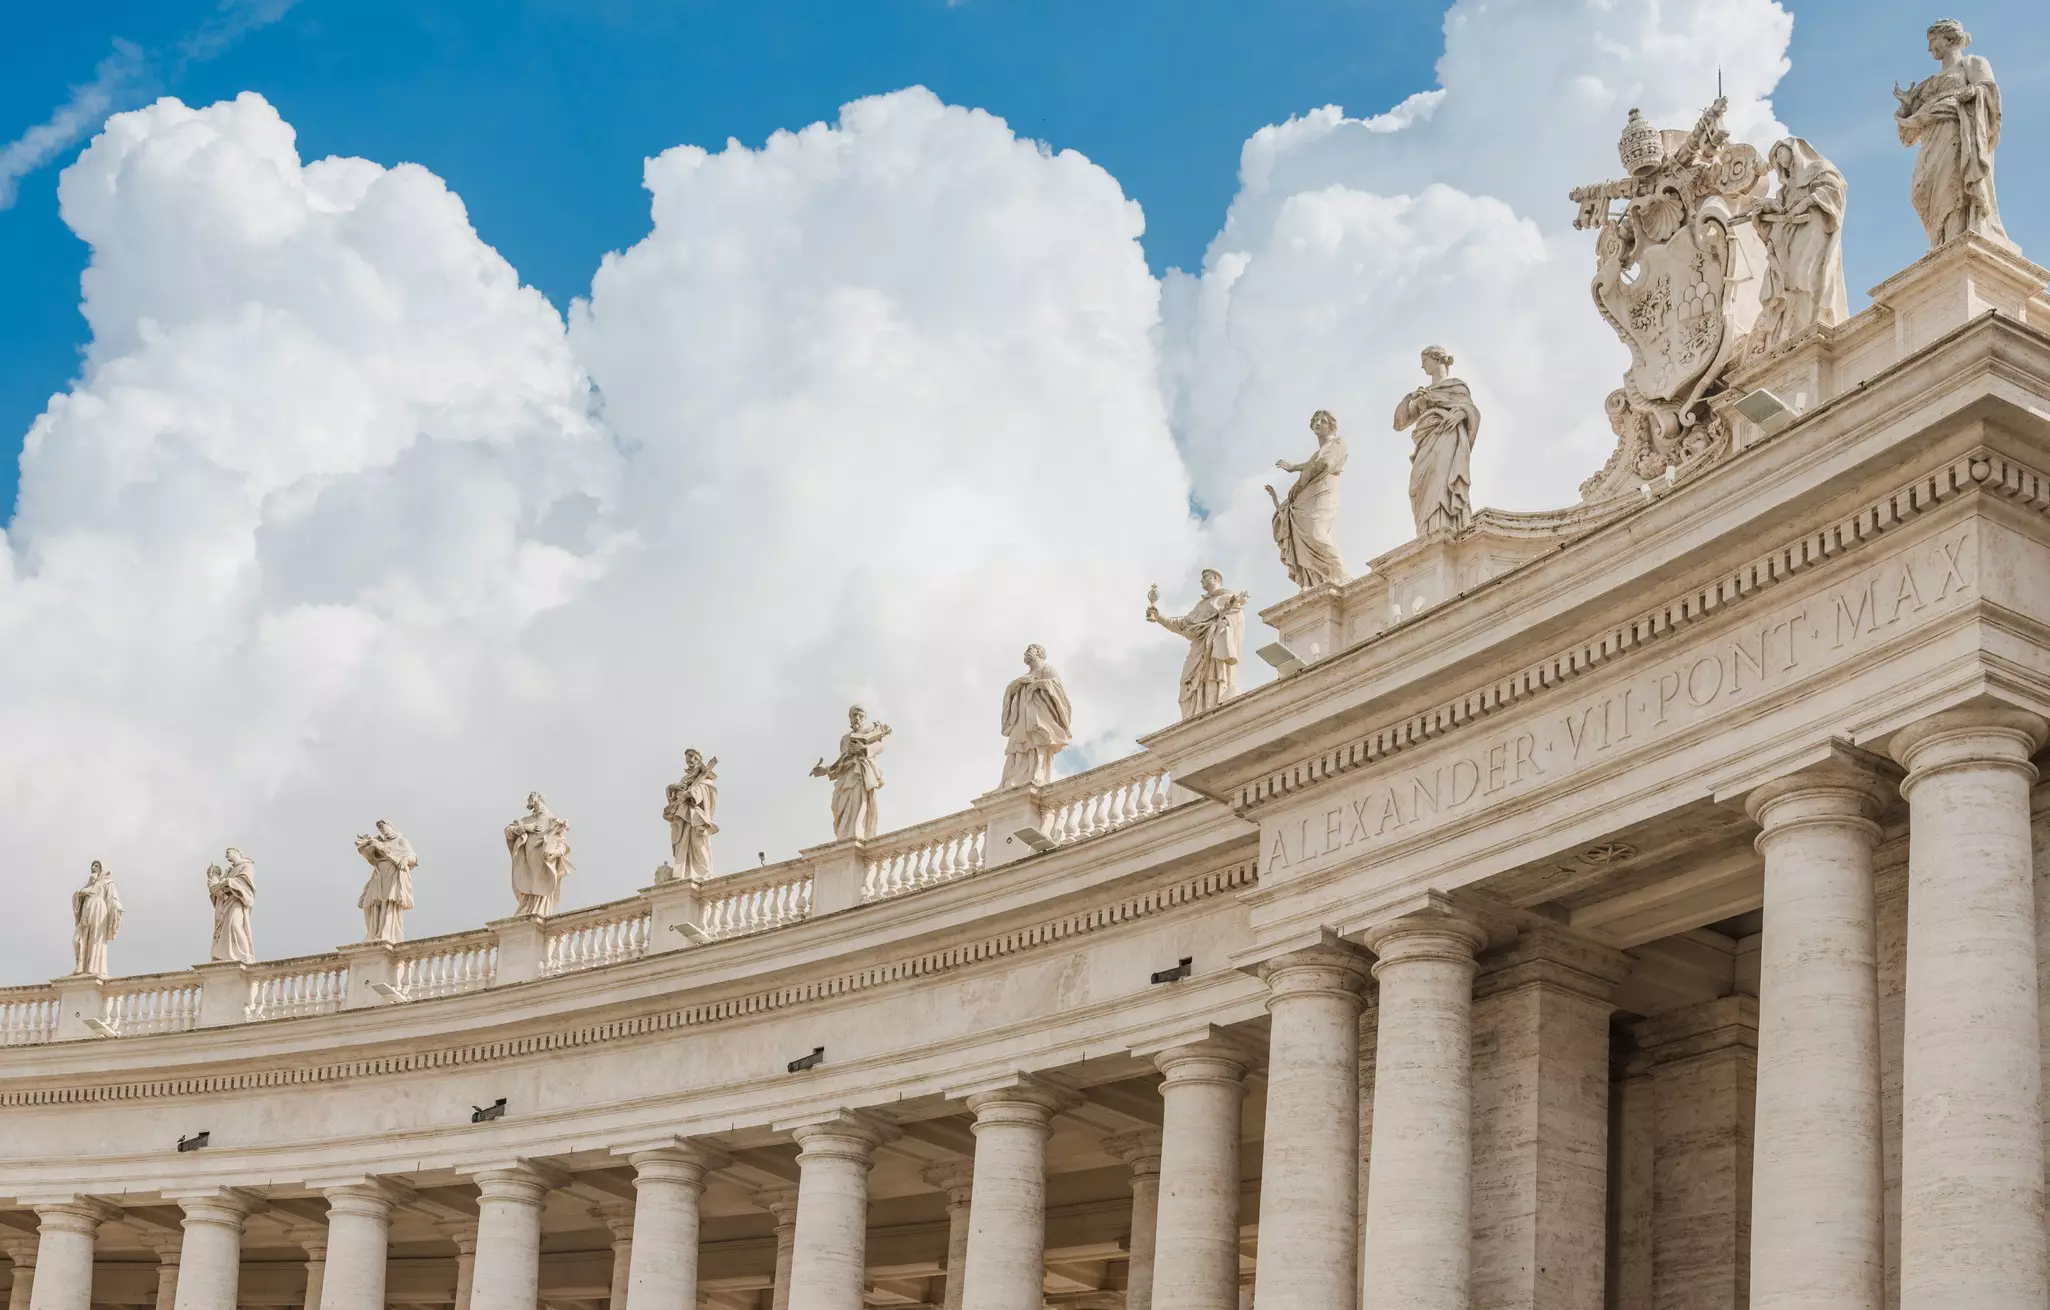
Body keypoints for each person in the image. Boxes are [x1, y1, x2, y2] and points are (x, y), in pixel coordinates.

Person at [1894, 18, 2008, 249]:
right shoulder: (1929, 83)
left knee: (1953, 184)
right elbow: (1908, 133)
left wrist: (1967, 95)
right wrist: (1907, 105)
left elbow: (1990, 94)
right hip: (1932, 140)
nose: (1929, 48)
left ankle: (1955, 237)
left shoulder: (1973, 63)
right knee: (1921, 191)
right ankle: (1941, 239)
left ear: (1949, 37)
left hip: (1959, 134)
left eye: (1932, 40)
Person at [1749, 138, 1848, 357]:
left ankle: (1810, 322)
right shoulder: (1785, 190)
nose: (1777, 159)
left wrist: (1807, 202)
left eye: (1780, 152)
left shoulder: (1819, 169)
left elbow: (1836, 188)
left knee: (1806, 277)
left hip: (1812, 230)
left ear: (1794, 149)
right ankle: (1789, 330)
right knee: (1790, 283)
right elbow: (1779, 214)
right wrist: (1766, 209)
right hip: (1791, 238)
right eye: (1774, 157)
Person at [1392, 346, 1480, 537]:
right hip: (1425, 440)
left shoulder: (1456, 386)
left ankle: (1445, 526)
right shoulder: (1423, 393)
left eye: (1425, 361)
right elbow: (1399, 423)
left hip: (1446, 435)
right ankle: (1426, 531)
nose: (1422, 366)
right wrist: (1409, 398)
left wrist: (1460, 413)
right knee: (1418, 486)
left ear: (1437, 359)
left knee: (1442, 477)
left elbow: (1471, 410)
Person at [1146, 571, 1250, 719]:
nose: (1201, 581)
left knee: (1213, 677)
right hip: (1198, 650)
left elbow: (1236, 621)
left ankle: (1211, 707)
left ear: (1215, 578)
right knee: (1187, 682)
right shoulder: (1201, 605)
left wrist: (1221, 625)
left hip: (1214, 649)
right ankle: (1195, 713)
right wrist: (1159, 617)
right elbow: (1183, 624)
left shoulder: (1227, 599)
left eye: (1205, 577)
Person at [1267, 409, 1351, 590]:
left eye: (1324, 421)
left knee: (1317, 532)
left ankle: (1337, 574)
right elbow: (1314, 462)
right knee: (1305, 532)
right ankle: (1314, 580)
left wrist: (1298, 479)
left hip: (1323, 491)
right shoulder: (1317, 454)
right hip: (1308, 493)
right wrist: (1293, 468)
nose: (1319, 423)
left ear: (1332, 425)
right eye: (1316, 421)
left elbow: (1324, 464)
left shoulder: (1339, 443)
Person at [998, 645, 1074, 789]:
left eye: (1029, 651)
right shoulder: (1025, 676)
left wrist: (1039, 684)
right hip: (1021, 717)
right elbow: (1011, 690)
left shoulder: (1047, 670)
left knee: (1038, 741)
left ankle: (1037, 774)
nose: (1025, 654)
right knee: (1017, 744)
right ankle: (1012, 779)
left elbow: (1058, 688)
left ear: (1038, 653)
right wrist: (1019, 683)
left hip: (1039, 715)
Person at [811, 706, 892, 841]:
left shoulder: (871, 731)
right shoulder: (845, 739)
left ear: (865, 717)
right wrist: (825, 770)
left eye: (860, 715)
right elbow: (843, 761)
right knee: (839, 808)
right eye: (854, 715)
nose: (857, 718)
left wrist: (863, 749)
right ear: (850, 717)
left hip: (859, 775)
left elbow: (879, 746)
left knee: (858, 806)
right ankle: (845, 837)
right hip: (845, 776)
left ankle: (855, 834)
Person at [506, 792, 574, 917]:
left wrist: (554, 854)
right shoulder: (526, 820)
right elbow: (509, 830)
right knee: (528, 887)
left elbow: (562, 844)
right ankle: (527, 908)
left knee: (541, 886)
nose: (528, 800)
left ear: (537, 798)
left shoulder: (551, 819)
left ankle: (539, 910)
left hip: (542, 862)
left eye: (530, 797)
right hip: (527, 861)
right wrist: (526, 828)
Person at [355, 820, 418, 944]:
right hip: (379, 875)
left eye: (383, 827)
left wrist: (405, 858)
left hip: (392, 873)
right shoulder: (380, 842)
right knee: (369, 903)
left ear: (390, 826)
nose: (382, 830)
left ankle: (386, 933)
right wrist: (372, 845)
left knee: (388, 902)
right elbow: (368, 856)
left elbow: (413, 857)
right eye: (380, 829)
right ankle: (372, 933)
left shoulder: (401, 840)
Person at [664, 749, 720, 881]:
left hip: (695, 815)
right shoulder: (685, 779)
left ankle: (704, 872)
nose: (692, 760)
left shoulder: (705, 778)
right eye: (689, 756)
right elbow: (675, 801)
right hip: (682, 816)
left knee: (697, 842)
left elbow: (708, 792)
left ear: (700, 759)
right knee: (683, 844)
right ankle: (683, 872)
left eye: (695, 757)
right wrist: (673, 789)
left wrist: (692, 793)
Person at [71, 860, 122, 977]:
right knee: (77, 940)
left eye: (96, 865)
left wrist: (116, 909)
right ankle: (80, 966)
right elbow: (77, 897)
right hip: (85, 913)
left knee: (95, 940)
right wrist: (81, 893)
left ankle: (92, 969)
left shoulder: (108, 883)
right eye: (92, 866)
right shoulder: (89, 885)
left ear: (102, 868)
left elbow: (113, 899)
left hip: (99, 913)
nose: (93, 868)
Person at [206, 848, 257, 964]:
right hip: (225, 903)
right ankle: (223, 956)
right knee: (225, 929)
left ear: (237, 852)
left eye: (228, 853)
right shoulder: (228, 871)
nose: (226, 856)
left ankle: (245, 955)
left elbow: (244, 882)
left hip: (237, 900)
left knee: (235, 924)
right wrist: (214, 874)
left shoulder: (247, 866)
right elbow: (216, 888)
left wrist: (227, 882)